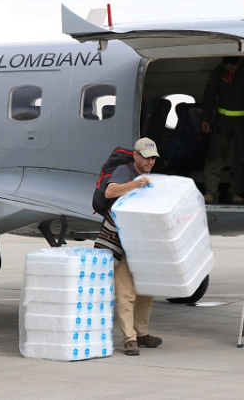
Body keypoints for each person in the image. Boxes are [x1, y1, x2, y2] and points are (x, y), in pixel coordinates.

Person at [93, 137, 163, 356]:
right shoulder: (125, 172)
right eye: (146, 157)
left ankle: (142, 334)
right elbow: (109, 192)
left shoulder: (152, 176)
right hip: (121, 242)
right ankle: (129, 339)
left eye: (153, 158)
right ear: (135, 155)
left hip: (142, 243)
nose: (150, 161)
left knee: (146, 292)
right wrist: (136, 184)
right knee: (126, 292)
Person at [201, 56, 244, 204]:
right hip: (222, 120)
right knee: (215, 156)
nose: (229, 68)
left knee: (241, 158)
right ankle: (210, 192)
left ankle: (235, 193)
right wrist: (205, 118)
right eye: (227, 66)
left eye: (232, 66)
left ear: (240, 61)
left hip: (243, 121)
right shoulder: (218, 71)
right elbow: (209, 96)